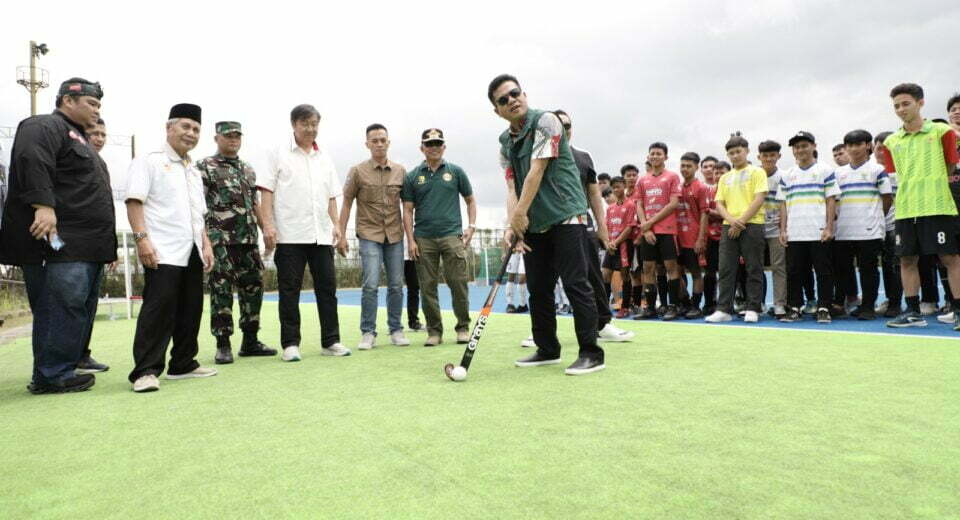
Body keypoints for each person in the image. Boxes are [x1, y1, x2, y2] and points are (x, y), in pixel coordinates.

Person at [0, 77, 115, 394]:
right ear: (67, 100)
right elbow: (31, 159)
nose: (96, 110)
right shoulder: (44, 125)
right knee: (60, 303)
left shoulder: (81, 141)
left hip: (86, 246)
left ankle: (67, 364)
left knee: (76, 306)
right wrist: (43, 206)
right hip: (58, 242)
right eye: (91, 103)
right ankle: (51, 374)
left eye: (99, 105)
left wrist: (108, 249)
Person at [490, 73, 604, 375]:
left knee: (576, 285)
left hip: (567, 216)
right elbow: (513, 186)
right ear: (497, 110)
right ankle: (547, 348)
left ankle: (591, 352)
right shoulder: (505, 143)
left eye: (515, 93)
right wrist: (512, 226)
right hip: (535, 222)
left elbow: (536, 171)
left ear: (524, 94)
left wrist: (518, 218)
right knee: (539, 289)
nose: (512, 100)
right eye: (504, 99)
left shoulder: (548, 121)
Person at [125, 103, 217, 392]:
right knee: (158, 309)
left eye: (196, 129)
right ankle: (145, 371)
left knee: (192, 307)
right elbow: (134, 201)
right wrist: (142, 239)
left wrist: (206, 244)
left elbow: (197, 213)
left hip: (192, 248)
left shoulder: (193, 169)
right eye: (185, 127)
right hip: (161, 248)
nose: (191, 133)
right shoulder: (149, 160)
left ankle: (183, 363)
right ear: (169, 127)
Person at [258, 104, 349, 361]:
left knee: (327, 289)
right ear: (293, 125)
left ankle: (331, 341)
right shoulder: (277, 153)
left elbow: (332, 196)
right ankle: (290, 344)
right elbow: (266, 192)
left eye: (314, 124)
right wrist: (268, 225)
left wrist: (338, 227)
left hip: (321, 235)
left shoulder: (325, 158)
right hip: (289, 234)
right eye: (305, 124)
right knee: (289, 290)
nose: (310, 129)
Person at [877, 83, 960, 328]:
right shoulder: (891, 142)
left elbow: (950, 166)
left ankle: (957, 310)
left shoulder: (942, 132)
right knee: (906, 260)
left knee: (950, 258)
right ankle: (913, 311)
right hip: (906, 209)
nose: (901, 109)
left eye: (906, 104)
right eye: (896, 106)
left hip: (938, 205)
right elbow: (896, 174)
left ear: (920, 102)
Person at [196, 121, 276, 364]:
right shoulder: (205, 167)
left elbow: (254, 203)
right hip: (220, 240)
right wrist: (205, 239)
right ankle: (223, 343)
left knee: (253, 289)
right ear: (217, 138)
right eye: (228, 136)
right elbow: (197, 205)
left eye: (237, 136)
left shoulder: (248, 169)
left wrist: (266, 229)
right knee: (221, 292)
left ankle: (250, 341)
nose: (233, 140)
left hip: (248, 240)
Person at [555, 110, 632, 341]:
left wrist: (602, 226)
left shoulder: (583, 157)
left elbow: (593, 194)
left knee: (593, 274)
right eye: (558, 126)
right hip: (547, 225)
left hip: (581, 222)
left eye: (567, 126)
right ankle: (544, 332)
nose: (564, 130)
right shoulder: (538, 157)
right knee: (545, 279)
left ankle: (603, 325)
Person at [401, 128, 477, 346]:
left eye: (438, 143)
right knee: (427, 287)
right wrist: (411, 240)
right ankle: (434, 332)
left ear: (444, 147)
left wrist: (471, 226)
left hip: (452, 236)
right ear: (422, 148)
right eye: (429, 144)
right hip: (423, 238)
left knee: (458, 284)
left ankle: (462, 328)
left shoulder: (456, 172)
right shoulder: (413, 176)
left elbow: (470, 200)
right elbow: (407, 210)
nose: (434, 147)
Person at [338, 124, 410, 349]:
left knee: (396, 285)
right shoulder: (357, 171)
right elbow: (347, 202)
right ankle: (368, 332)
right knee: (370, 284)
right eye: (374, 140)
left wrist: (412, 238)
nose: (379, 144)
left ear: (388, 142)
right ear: (367, 144)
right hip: (369, 234)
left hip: (395, 236)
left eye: (382, 140)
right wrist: (340, 233)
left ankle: (396, 330)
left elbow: (408, 206)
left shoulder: (400, 171)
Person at [776, 131, 840, 324]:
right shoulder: (787, 175)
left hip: (818, 231)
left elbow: (831, 201)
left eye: (804, 145)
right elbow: (783, 204)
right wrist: (783, 230)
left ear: (813, 146)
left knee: (823, 271)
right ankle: (795, 307)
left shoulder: (825, 171)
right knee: (794, 272)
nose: (800, 150)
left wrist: (829, 227)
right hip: (795, 233)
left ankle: (823, 307)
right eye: (796, 147)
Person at [704, 135, 767, 323]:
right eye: (731, 153)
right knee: (725, 268)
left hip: (753, 224)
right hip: (728, 227)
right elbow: (719, 204)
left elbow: (759, 198)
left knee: (753, 267)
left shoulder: (757, 172)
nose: (735, 155)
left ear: (747, 151)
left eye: (738, 151)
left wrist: (741, 222)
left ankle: (753, 307)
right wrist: (732, 221)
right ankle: (724, 309)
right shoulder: (724, 177)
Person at [832, 129, 892, 321]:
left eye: (858, 144)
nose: (853, 148)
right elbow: (833, 200)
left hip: (869, 231)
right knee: (842, 269)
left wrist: (875, 218)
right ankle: (841, 304)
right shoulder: (838, 173)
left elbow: (887, 198)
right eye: (849, 145)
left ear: (868, 146)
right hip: (843, 230)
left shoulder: (877, 170)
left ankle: (868, 307)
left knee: (868, 270)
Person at [75, 117, 111, 374]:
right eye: (93, 132)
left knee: (89, 304)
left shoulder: (102, 164)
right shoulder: (72, 159)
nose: (98, 138)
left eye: (102, 134)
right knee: (71, 304)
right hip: (74, 246)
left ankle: (81, 355)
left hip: (97, 246)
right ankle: (65, 359)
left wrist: (111, 248)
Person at [632, 142, 683, 320]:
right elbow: (639, 204)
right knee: (647, 267)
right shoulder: (642, 180)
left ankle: (673, 306)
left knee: (671, 267)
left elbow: (674, 203)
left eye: (658, 154)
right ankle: (651, 308)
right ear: (648, 157)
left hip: (667, 230)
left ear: (665, 157)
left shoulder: (672, 177)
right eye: (652, 153)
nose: (654, 156)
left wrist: (649, 222)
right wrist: (645, 228)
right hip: (648, 232)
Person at [675, 152, 709, 318]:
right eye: (683, 165)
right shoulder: (677, 188)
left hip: (693, 238)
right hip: (677, 239)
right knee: (676, 272)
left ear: (697, 167)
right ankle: (685, 302)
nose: (685, 169)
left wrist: (701, 238)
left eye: (689, 166)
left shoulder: (701, 188)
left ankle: (696, 306)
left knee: (696, 273)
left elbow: (705, 214)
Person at [874, 131, 903, 318]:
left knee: (896, 266)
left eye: (887, 148)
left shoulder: (901, 169)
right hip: (877, 227)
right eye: (879, 148)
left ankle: (896, 303)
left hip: (897, 226)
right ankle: (891, 300)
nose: (882, 152)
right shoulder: (873, 171)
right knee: (885, 265)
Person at [758, 140, 787, 318]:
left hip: (776, 228)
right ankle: (757, 303)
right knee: (755, 267)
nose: (768, 158)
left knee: (779, 267)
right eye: (765, 155)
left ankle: (779, 304)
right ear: (758, 157)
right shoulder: (754, 175)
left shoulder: (784, 176)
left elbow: (785, 203)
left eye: (772, 155)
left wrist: (783, 228)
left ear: (779, 156)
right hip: (757, 228)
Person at [602, 177, 636, 319]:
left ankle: (625, 307)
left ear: (625, 187)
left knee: (625, 275)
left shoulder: (630, 205)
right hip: (611, 246)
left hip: (624, 245)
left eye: (619, 187)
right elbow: (606, 227)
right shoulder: (610, 209)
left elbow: (629, 227)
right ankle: (603, 308)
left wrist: (616, 242)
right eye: (614, 187)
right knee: (605, 274)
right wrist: (608, 243)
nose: (616, 190)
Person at [700, 156, 722, 314]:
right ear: (701, 170)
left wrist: (709, 212)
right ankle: (709, 303)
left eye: (712, 167)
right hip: (706, 237)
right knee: (709, 272)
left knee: (730, 271)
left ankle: (731, 302)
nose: (709, 169)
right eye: (705, 166)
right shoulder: (699, 189)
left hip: (728, 235)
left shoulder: (725, 188)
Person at [403, 248, 425, 331]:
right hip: (395, 252)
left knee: (414, 286)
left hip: (411, 254)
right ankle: (394, 326)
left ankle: (413, 322)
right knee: (394, 288)